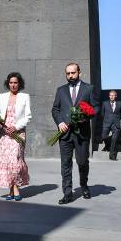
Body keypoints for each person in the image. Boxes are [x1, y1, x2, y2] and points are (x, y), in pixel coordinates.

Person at [51, 63, 99, 205]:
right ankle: (67, 193)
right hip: (65, 134)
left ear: (79, 72)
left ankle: (84, 186)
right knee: (65, 164)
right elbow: (55, 109)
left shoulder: (89, 89)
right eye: (68, 73)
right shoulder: (61, 90)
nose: (70, 76)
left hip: (82, 133)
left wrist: (86, 117)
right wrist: (59, 122)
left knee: (82, 162)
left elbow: (96, 107)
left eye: (73, 73)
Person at [0, 72, 31, 201]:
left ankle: (14, 188)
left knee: (15, 161)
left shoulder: (25, 97)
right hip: (4, 133)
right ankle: (13, 189)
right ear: (7, 83)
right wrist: (1, 125)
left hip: (17, 132)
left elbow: (28, 116)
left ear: (19, 84)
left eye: (15, 82)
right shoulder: (2, 97)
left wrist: (16, 127)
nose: (13, 85)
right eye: (11, 83)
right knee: (7, 162)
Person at [101, 90, 121, 160]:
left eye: (113, 95)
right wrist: (107, 119)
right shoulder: (105, 103)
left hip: (116, 124)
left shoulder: (120, 103)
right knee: (103, 136)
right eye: (110, 95)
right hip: (106, 122)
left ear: (116, 96)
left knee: (114, 140)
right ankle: (108, 145)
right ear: (109, 96)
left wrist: (116, 119)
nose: (111, 96)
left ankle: (112, 155)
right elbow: (102, 113)